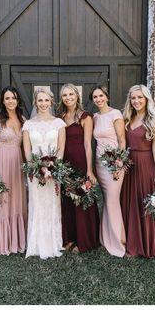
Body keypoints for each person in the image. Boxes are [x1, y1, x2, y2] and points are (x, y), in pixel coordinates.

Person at [121, 84, 155, 257]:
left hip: (146, 165)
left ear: (146, 99)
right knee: (131, 202)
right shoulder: (128, 118)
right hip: (130, 166)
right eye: (133, 98)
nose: (136, 101)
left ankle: (151, 243)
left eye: (140, 97)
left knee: (146, 201)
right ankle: (133, 241)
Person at [22, 87, 66, 259]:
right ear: (35, 102)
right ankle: (36, 243)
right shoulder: (28, 125)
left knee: (52, 204)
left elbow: (61, 149)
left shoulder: (59, 124)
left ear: (51, 102)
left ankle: (53, 242)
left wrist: (53, 168)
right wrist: (37, 168)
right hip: (35, 172)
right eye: (40, 100)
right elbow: (27, 151)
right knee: (36, 203)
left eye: (46, 100)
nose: (43, 104)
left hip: (54, 171)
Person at [0, 86, 27, 256]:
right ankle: (1, 241)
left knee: (17, 199)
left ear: (18, 100)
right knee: (2, 201)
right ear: (3, 101)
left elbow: (25, 146)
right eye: (7, 98)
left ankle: (17, 240)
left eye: (14, 98)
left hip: (17, 162)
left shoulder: (23, 119)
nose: (11, 101)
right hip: (0, 162)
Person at [58, 83, 99, 253]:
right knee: (67, 199)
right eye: (65, 95)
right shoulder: (59, 117)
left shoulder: (85, 117)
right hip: (65, 162)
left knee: (81, 198)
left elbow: (88, 145)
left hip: (81, 161)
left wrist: (89, 170)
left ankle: (84, 240)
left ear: (77, 96)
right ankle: (70, 237)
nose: (68, 98)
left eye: (71, 94)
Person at [90, 85, 126, 257]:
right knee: (106, 200)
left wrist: (118, 163)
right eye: (95, 97)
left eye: (101, 95)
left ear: (107, 96)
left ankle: (118, 241)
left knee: (112, 200)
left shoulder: (115, 114)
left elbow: (122, 140)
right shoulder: (95, 117)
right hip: (99, 162)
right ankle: (105, 238)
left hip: (113, 163)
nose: (98, 99)